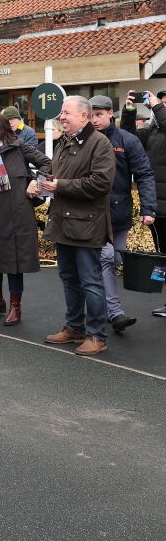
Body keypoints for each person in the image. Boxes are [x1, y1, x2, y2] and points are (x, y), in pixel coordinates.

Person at [41, 96, 116, 356]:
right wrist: (40, 183)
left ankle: (97, 335)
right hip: (64, 222)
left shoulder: (99, 143)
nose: (61, 117)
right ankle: (74, 328)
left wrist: (60, 185)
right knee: (69, 279)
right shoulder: (64, 141)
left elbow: (100, 183)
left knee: (91, 282)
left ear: (83, 116)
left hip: (87, 225)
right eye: (61, 113)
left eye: (66, 113)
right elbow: (56, 174)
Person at [0, 113, 51, 325]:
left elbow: (46, 164)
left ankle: (16, 308)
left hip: (19, 214)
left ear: (1, 127)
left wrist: (36, 182)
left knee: (15, 262)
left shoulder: (18, 146)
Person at [89, 95, 155, 332]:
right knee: (106, 259)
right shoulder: (83, 140)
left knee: (115, 260)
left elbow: (144, 175)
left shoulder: (127, 140)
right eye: (91, 114)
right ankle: (116, 313)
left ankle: (101, 306)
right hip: (92, 215)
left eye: (99, 114)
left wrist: (148, 208)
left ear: (111, 114)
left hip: (119, 213)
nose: (94, 119)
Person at [119, 90, 166, 317]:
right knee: (163, 252)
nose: (159, 106)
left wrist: (157, 107)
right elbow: (129, 139)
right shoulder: (154, 130)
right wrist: (129, 112)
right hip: (158, 203)